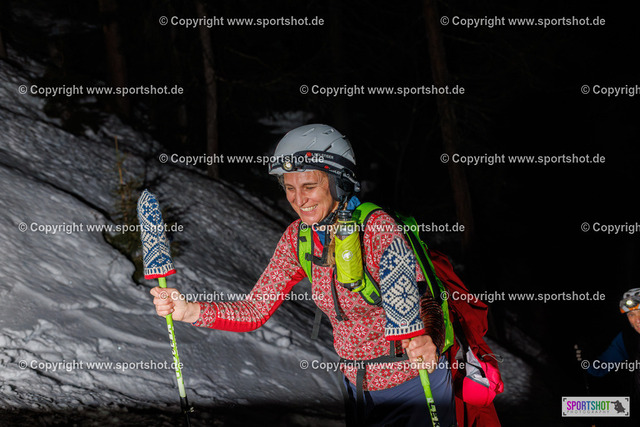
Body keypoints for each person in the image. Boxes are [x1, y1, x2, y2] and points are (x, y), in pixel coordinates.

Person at [150, 124, 457, 426]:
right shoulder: (299, 238)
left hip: (412, 385)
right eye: (290, 188)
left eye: (309, 186)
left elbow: (425, 301)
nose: (298, 199)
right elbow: (255, 309)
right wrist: (190, 311)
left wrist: (427, 339)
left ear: (339, 183)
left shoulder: (376, 229)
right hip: (358, 390)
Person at [587, 288, 640, 416]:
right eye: (631, 315)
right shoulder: (627, 339)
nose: (637, 320)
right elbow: (599, 367)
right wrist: (584, 357)